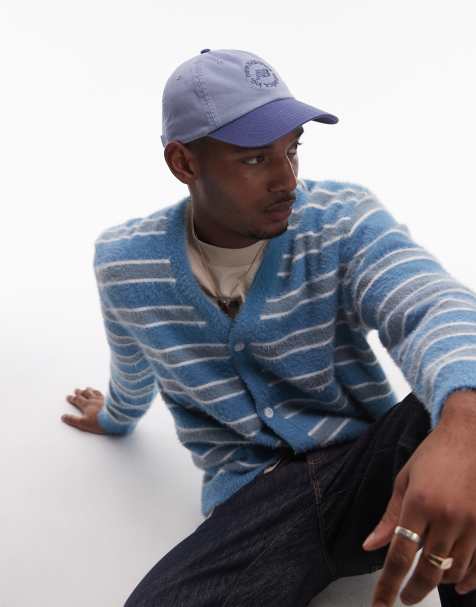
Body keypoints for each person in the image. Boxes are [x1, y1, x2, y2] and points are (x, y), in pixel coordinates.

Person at [61, 49, 476, 607]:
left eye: (292, 149)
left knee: (459, 404)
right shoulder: (127, 263)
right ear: (183, 163)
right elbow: (134, 358)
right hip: (255, 507)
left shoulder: (340, 218)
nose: (288, 179)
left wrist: (465, 426)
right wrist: (114, 418)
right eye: (255, 158)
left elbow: (428, 303)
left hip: (370, 469)